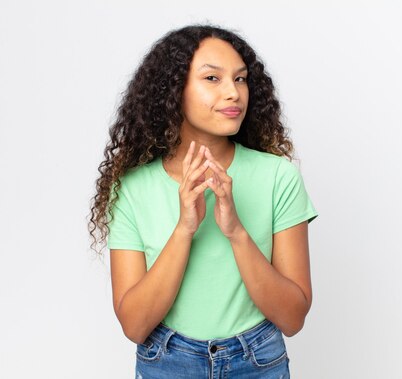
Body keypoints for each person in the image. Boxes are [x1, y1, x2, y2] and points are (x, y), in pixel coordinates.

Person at [88, 24, 317, 378]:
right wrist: (184, 229)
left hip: (257, 363)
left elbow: (292, 318)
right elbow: (134, 326)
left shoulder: (277, 177)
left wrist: (236, 231)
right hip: (167, 363)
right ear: (173, 90)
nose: (234, 93)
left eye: (241, 79)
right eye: (213, 78)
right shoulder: (133, 189)